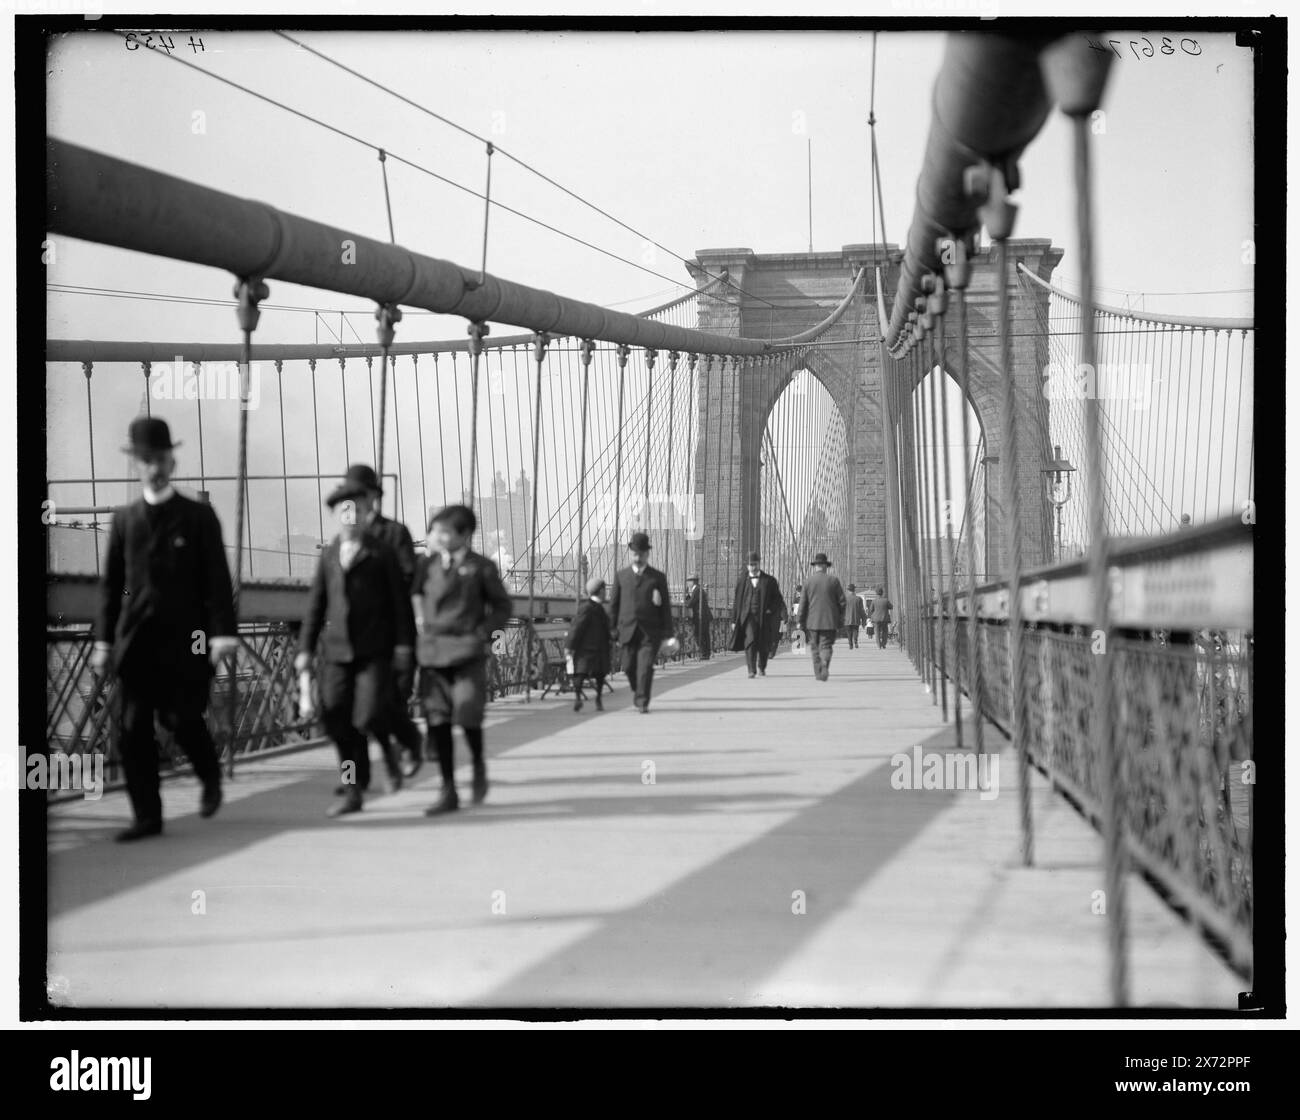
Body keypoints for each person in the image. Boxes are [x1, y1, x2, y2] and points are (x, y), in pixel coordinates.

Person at [91, 416, 238, 842]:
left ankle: (209, 777)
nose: (154, 467)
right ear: (137, 465)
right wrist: (103, 639)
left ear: (172, 463)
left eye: (160, 459)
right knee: (134, 728)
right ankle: (147, 818)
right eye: (145, 460)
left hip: (188, 641)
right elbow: (108, 586)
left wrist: (223, 634)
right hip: (136, 643)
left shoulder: (198, 516)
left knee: (180, 717)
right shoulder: (124, 521)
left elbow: (216, 577)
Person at [296, 480, 414, 817]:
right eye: (344, 509)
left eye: (358, 509)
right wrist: (305, 648)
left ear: (366, 514)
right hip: (336, 654)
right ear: (336, 515)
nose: (351, 515)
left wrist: (404, 648)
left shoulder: (382, 553)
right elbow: (316, 605)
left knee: (367, 715)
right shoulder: (330, 554)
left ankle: (388, 756)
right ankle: (353, 787)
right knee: (337, 721)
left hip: (374, 652)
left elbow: (399, 604)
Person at [414, 503, 514, 814]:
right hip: (433, 654)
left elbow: (502, 607)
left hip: (467, 652)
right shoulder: (427, 566)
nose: (437, 537)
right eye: (435, 531)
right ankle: (448, 789)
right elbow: (414, 594)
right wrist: (419, 623)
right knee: (438, 719)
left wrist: (483, 632)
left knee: (468, 711)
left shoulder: (482, 567)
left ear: (464, 534)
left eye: (444, 531)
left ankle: (478, 765)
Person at [340, 463, 423, 783]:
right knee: (348, 712)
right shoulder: (340, 541)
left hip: (390, 636)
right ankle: (354, 782)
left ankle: (409, 742)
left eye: (359, 496)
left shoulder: (394, 533)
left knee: (383, 705)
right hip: (351, 640)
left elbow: (407, 578)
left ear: (374, 497)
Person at [608, 531, 673, 713]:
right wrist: (612, 629)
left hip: (649, 632)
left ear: (647, 554)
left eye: (642, 554)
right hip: (627, 631)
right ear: (631, 553)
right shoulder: (621, 576)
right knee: (628, 667)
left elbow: (665, 607)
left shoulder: (657, 577)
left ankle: (642, 701)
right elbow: (613, 605)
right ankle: (639, 689)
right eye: (635, 554)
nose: (638, 557)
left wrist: (668, 633)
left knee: (644, 666)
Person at [728, 550, 786, 679]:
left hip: (764, 618)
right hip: (747, 616)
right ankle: (751, 669)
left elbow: (778, 599)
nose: (752, 567)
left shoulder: (769, 581)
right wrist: (733, 620)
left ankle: (762, 666)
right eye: (749, 565)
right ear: (747, 565)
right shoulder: (742, 581)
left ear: (759, 564)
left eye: (754, 564)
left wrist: (770, 610)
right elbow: (737, 601)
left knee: (764, 644)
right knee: (750, 641)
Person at [566, 577, 612, 712]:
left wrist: (570, 646)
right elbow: (578, 627)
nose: (606, 593)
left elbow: (576, 628)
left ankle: (578, 697)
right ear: (601, 591)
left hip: (586, 650)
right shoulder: (594, 609)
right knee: (599, 674)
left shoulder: (587, 607)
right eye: (605, 590)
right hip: (596, 649)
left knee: (580, 673)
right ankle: (597, 698)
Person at [801, 552, 847, 681]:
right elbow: (842, 602)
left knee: (814, 648)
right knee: (826, 645)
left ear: (815, 567)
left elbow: (803, 604)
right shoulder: (834, 581)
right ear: (826, 566)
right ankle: (825, 663)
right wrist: (839, 617)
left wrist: (800, 620)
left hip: (812, 622)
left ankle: (818, 673)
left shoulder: (808, 582)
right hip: (829, 621)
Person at [685, 575, 712, 660]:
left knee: (698, 635)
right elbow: (693, 600)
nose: (687, 583)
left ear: (692, 582)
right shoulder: (699, 590)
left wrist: (685, 599)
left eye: (688, 581)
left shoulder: (696, 590)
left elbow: (690, 604)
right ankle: (706, 653)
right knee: (705, 635)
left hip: (700, 616)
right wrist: (688, 596)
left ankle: (703, 654)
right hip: (705, 616)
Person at [844, 583, 867, 649]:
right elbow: (861, 610)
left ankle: (850, 644)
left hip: (847, 619)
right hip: (856, 618)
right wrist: (863, 620)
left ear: (848, 590)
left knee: (849, 632)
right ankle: (856, 641)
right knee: (855, 630)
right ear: (854, 590)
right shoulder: (859, 599)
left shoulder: (845, 599)